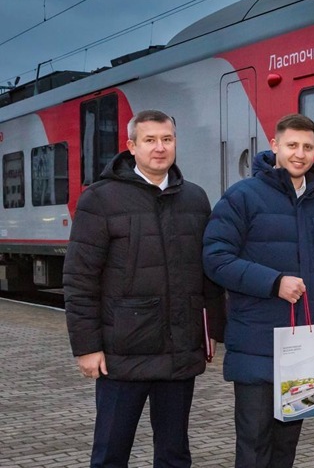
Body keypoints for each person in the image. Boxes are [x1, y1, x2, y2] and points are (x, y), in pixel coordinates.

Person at [63, 109, 226, 468]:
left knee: (174, 454)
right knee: (110, 454)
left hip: (180, 351)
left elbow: (208, 274)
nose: (159, 148)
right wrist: (87, 347)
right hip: (122, 356)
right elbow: (80, 279)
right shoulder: (100, 200)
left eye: (167, 139)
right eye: (150, 140)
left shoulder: (195, 199)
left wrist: (210, 328)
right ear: (131, 146)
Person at [203, 113, 314, 468]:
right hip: (256, 343)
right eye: (292, 145)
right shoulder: (242, 196)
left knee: (285, 447)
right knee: (253, 444)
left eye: (308, 147)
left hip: (304, 349)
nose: (300, 154)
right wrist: (273, 281)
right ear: (275, 145)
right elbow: (215, 258)